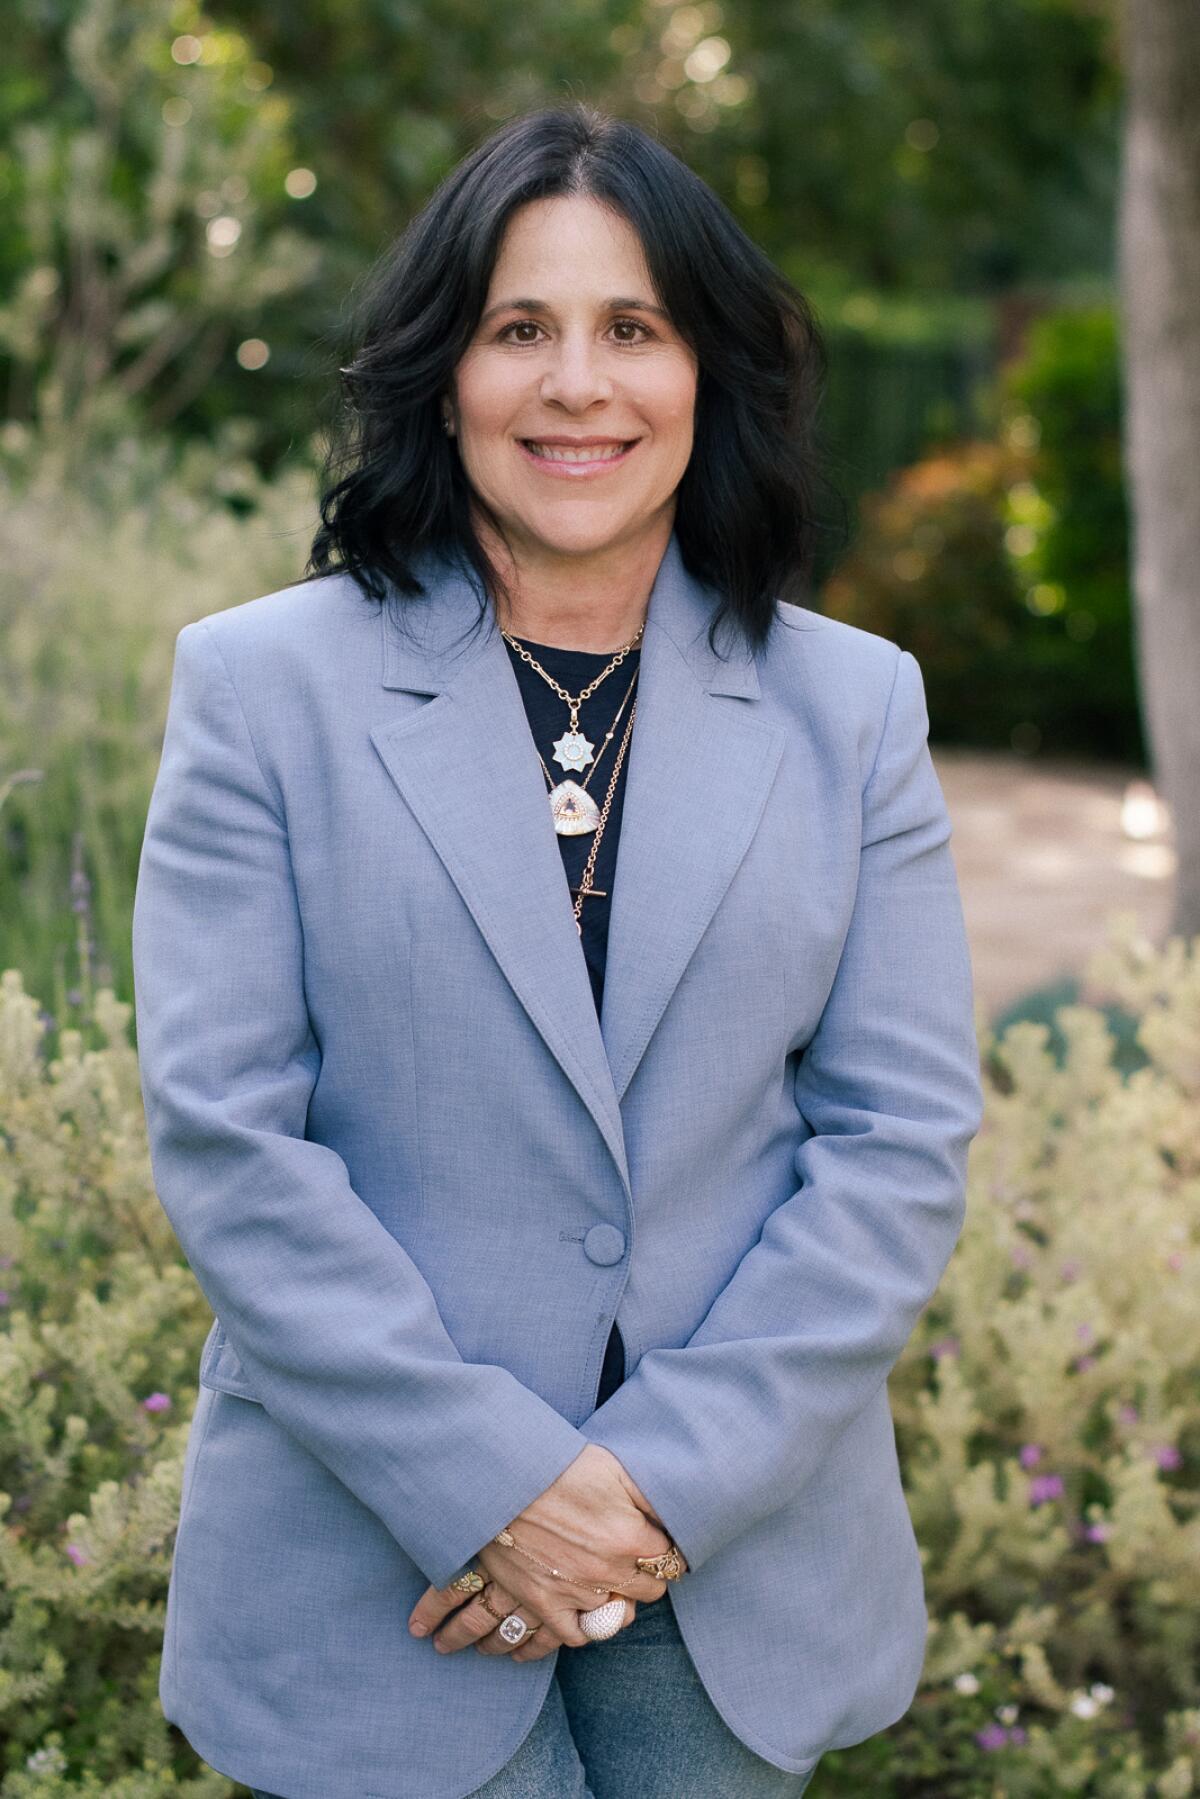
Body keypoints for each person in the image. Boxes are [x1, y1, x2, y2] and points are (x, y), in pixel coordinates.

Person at [131, 101, 984, 1799]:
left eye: (632, 330)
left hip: (725, 1555)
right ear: (443, 374)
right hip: (384, 1562)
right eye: (521, 328)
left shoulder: (855, 706)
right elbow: (232, 1142)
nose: (576, 386)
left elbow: (897, 1145)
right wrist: (494, 1490)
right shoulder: (259, 692)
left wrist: (653, 1490)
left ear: (704, 375)